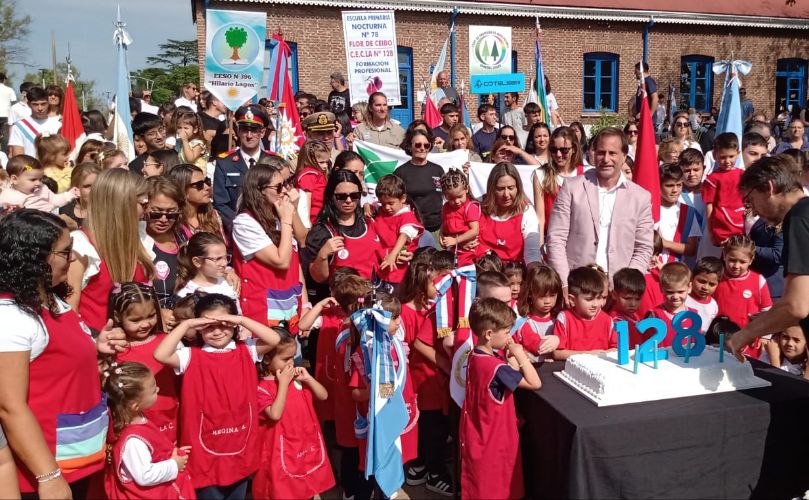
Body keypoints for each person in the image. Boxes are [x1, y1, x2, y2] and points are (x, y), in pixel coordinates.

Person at [0, 210, 118, 498]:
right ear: (37, 258)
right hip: (46, 472)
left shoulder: (50, 298)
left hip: (78, 458)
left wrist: (93, 346)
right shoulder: (11, 317)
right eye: (66, 252)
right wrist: (49, 476)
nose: (74, 258)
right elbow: (9, 407)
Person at [153, 293, 281, 498]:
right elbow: (160, 355)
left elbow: (275, 338)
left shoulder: (247, 351)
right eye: (209, 326)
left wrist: (240, 319)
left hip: (240, 440)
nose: (217, 331)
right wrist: (187, 325)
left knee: (237, 490)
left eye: (224, 324)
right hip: (205, 451)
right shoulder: (189, 355)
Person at [547, 127, 654, 285]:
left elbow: (643, 247)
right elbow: (556, 238)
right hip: (577, 286)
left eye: (612, 153)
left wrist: (626, 286)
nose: (606, 159)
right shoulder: (571, 188)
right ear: (593, 154)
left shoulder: (641, 197)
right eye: (601, 152)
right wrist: (564, 282)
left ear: (624, 156)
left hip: (618, 290)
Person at [729, 155, 809, 361]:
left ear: (769, 187)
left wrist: (745, 334)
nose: (752, 210)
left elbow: (797, 305)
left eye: (750, 200)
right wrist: (770, 319)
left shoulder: (799, 217)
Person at [460, 298, 540, 500]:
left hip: (477, 433)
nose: (509, 337)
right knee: (498, 485)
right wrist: (520, 355)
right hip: (495, 438)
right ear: (489, 334)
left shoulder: (475, 356)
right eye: (506, 333)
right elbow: (534, 383)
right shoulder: (497, 369)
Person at [67, 169, 154, 332]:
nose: (148, 209)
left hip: (138, 339)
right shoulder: (81, 246)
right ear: (121, 204)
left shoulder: (140, 237)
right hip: (97, 343)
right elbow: (70, 311)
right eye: (143, 203)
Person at [253, 329, 335, 499]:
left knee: (307, 487)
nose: (291, 362)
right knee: (283, 490)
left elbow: (324, 395)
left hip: (305, 445)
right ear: (267, 359)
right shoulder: (260, 388)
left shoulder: (297, 379)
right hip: (279, 453)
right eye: (285, 359)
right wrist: (282, 384)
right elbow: (275, 414)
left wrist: (308, 379)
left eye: (293, 357)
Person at [232, 162, 308, 332]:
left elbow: (298, 253)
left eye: (287, 184)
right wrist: (286, 220)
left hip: (289, 306)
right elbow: (281, 261)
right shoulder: (245, 222)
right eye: (279, 186)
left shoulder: (280, 215)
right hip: (261, 312)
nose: (285, 191)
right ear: (260, 190)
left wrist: (305, 304)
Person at [103, 361, 193, 499]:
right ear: (134, 405)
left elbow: (153, 450)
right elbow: (145, 475)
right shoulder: (132, 441)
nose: (157, 389)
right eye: (152, 390)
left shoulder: (139, 418)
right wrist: (174, 464)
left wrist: (170, 453)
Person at [107, 283, 181, 443]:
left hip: (168, 416)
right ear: (118, 316)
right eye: (135, 320)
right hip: (132, 422)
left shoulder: (167, 342)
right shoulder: (114, 347)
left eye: (151, 316)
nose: (146, 324)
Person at [212, 103, 274, 231]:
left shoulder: (274, 162)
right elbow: (221, 203)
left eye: (254, 130)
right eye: (245, 129)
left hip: (270, 228)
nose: (249, 135)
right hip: (238, 229)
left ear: (262, 132)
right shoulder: (225, 163)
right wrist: (241, 225)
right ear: (238, 131)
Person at [478, 162, 541, 264]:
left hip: (515, 275)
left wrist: (535, 275)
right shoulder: (478, 208)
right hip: (484, 274)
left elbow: (532, 254)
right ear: (492, 189)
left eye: (511, 188)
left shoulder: (527, 211)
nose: (506, 194)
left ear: (518, 188)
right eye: (500, 189)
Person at [551, 266, 617, 360]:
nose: (596, 304)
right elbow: (557, 353)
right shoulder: (564, 318)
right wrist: (588, 355)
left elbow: (616, 349)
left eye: (599, 298)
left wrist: (604, 354)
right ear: (572, 300)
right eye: (589, 299)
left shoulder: (608, 320)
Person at [532, 126, 587, 236]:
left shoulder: (586, 174)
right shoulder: (541, 174)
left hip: (579, 239)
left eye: (564, 150)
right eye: (554, 150)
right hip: (553, 238)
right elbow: (540, 218)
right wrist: (540, 246)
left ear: (574, 149)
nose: (558, 155)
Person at [715, 234, 772, 337]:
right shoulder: (716, 277)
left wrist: (765, 337)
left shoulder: (758, 280)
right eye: (732, 260)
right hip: (717, 338)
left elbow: (767, 312)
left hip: (747, 340)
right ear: (724, 255)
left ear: (751, 260)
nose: (736, 266)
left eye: (742, 262)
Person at [144, 176, 187, 308]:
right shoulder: (136, 241)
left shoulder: (182, 235)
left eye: (171, 214)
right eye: (156, 213)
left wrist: (227, 271)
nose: (164, 219)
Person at [394, 129, 445, 239]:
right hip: (412, 229)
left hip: (437, 228)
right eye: (418, 145)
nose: (422, 148)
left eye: (426, 145)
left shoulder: (438, 170)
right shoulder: (400, 172)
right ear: (409, 146)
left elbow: (449, 196)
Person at [375, 174, 424, 288]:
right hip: (380, 268)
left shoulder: (407, 217)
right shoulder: (382, 210)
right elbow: (373, 206)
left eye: (391, 203)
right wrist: (367, 206)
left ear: (402, 198)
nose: (386, 207)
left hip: (399, 272)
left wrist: (393, 254)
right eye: (383, 203)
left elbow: (404, 235)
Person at [703, 133, 745, 246]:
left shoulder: (743, 175)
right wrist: (710, 231)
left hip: (743, 224)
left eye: (731, 156)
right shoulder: (712, 179)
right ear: (714, 155)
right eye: (723, 157)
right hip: (723, 229)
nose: (727, 161)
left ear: (738, 153)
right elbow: (709, 206)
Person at [514, 265, 563, 362]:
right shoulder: (523, 321)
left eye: (552, 295)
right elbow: (526, 344)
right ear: (530, 294)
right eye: (542, 296)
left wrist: (558, 340)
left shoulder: (560, 317)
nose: (547, 301)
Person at [0, 154, 78, 212]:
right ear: (14, 179)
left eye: (40, 179)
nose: (38, 183)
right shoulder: (8, 196)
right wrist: (12, 212)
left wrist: (69, 195)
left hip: (49, 221)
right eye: (33, 180)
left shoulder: (42, 188)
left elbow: (55, 200)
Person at [175, 232, 239, 302]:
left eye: (226, 257)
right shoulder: (187, 295)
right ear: (197, 262)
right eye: (218, 259)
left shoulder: (228, 281)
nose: (225, 263)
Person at [166, 163, 225, 238]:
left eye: (206, 181)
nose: (207, 187)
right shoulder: (171, 221)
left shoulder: (213, 215)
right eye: (199, 184)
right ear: (182, 189)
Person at [657, 163, 701, 263]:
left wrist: (663, 243)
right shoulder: (649, 209)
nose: (675, 190)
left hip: (675, 270)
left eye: (679, 185)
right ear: (659, 185)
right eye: (669, 185)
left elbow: (691, 249)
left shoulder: (688, 212)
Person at [646, 262, 696, 346]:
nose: (675, 296)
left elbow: (695, 345)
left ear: (689, 287)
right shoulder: (654, 315)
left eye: (680, 292)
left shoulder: (694, 316)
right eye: (670, 292)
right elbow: (648, 344)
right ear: (661, 289)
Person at [439, 168, 480, 266]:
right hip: (453, 250)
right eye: (451, 198)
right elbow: (445, 223)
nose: (457, 201)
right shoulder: (446, 207)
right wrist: (441, 235)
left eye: (460, 196)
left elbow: (474, 230)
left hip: (469, 252)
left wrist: (456, 241)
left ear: (466, 189)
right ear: (445, 195)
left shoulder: (470, 207)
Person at [8, 86, 61, 158]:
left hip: (51, 168)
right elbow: (19, 157)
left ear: (48, 103)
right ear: (29, 104)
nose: (40, 108)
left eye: (43, 104)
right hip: (29, 168)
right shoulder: (19, 127)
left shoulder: (58, 125)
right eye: (35, 104)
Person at [607, 267, 646, 346]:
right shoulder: (615, 320)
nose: (633, 304)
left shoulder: (633, 315)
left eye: (638, 299)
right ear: (614, 295)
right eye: (627, 298)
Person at [297, 140, 331, 225]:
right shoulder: (309, 175)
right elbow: (305, 202)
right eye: (321, 162)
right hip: (313, 223)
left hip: (322, 220)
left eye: (327, 162)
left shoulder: (319, 174)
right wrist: (307, 226)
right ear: (308, 160)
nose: (325, 166)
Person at [59, 161, 99, 229]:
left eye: (97, 184)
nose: (94, 190)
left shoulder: (110, 210)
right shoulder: (65, 211)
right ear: (75, 188)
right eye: (87, 186)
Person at [686, 256, 722, 330]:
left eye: (711, 284)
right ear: (692, 277)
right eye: (702, 281)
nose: (705, 287)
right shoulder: (683, 298)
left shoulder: (713, 305)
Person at [0, 72, 16, 151]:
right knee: (5, 138)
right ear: (4, 80)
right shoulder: (9, 90)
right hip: (6, 115)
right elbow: (13, 102)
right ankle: (5, 156)